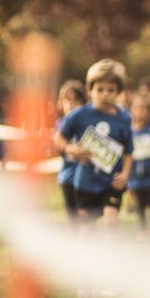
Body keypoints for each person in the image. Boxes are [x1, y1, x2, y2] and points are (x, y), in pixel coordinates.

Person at [55, 59, 134, 228]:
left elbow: (128, 151)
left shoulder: (124, 118)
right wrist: (70, 149)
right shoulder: (79, 115)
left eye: (111, 90)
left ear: (119, 92)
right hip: (86, 181)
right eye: (100, 89)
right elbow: (59, 137)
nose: (105, 94)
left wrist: (125, 175)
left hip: (112, 181)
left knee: (111, 219)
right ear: (89, 90)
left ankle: (109, 253)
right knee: (86, 227)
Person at [127, 91, 150, 231]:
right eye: (137, 108)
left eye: (144, 108)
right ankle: (143, 229)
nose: (141, 111)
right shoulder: (129, 132)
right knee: (139, 204)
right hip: (135, 177)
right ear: (131, 110)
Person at [54, 80, 86, 221]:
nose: (71, 104)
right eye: (67, 100)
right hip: (67, 174)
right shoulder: (60, 124)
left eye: (76, 100)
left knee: (86, 213)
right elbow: (58, 148)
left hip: (86, 175)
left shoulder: (87, 122)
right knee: (72, 213)